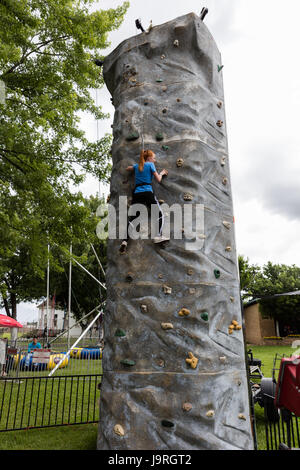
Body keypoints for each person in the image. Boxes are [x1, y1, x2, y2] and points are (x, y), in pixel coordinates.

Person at [120, 149, 169, 254]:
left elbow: (128, 168)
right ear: (149, 158)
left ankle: (124, 241)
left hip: (137, 193)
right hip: (147, 192)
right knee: (159, 214)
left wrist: (134, 166)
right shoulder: (150, 165)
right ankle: (157, 236)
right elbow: (158, 179)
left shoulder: (137, 166)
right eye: (154, 158)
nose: (155, 160)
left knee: (133, 219)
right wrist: (162, 173)